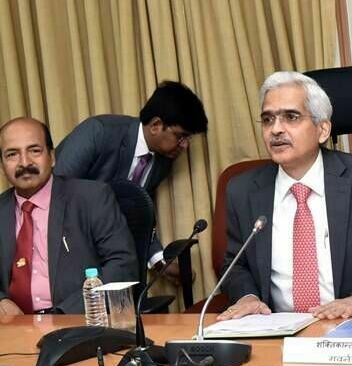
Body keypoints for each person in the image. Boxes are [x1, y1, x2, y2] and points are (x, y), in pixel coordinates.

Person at [217, 71, 352, 321]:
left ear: (322, 130)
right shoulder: (243, 190)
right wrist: (247, 297)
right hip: (277, 329)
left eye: (291, 117)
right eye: (268, 120)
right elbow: (235, 265)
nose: (275, 129)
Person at [54, 81, 208, 280]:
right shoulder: (98, 132)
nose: (185, 146)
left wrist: (158, 261)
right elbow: (56, 194)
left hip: (112, 253)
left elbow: (139, 210)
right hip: (68, 249)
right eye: (181, 137)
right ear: (156, 125)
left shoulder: (162, 161)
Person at [0, 118, 137, 315]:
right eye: (12, 154)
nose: (25, 162)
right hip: (14, 326)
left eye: (34, 150)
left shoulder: (91, 197)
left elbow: (123, 265)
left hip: (79, 320)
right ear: (2, 166)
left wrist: (62, 314)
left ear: (52, 157)